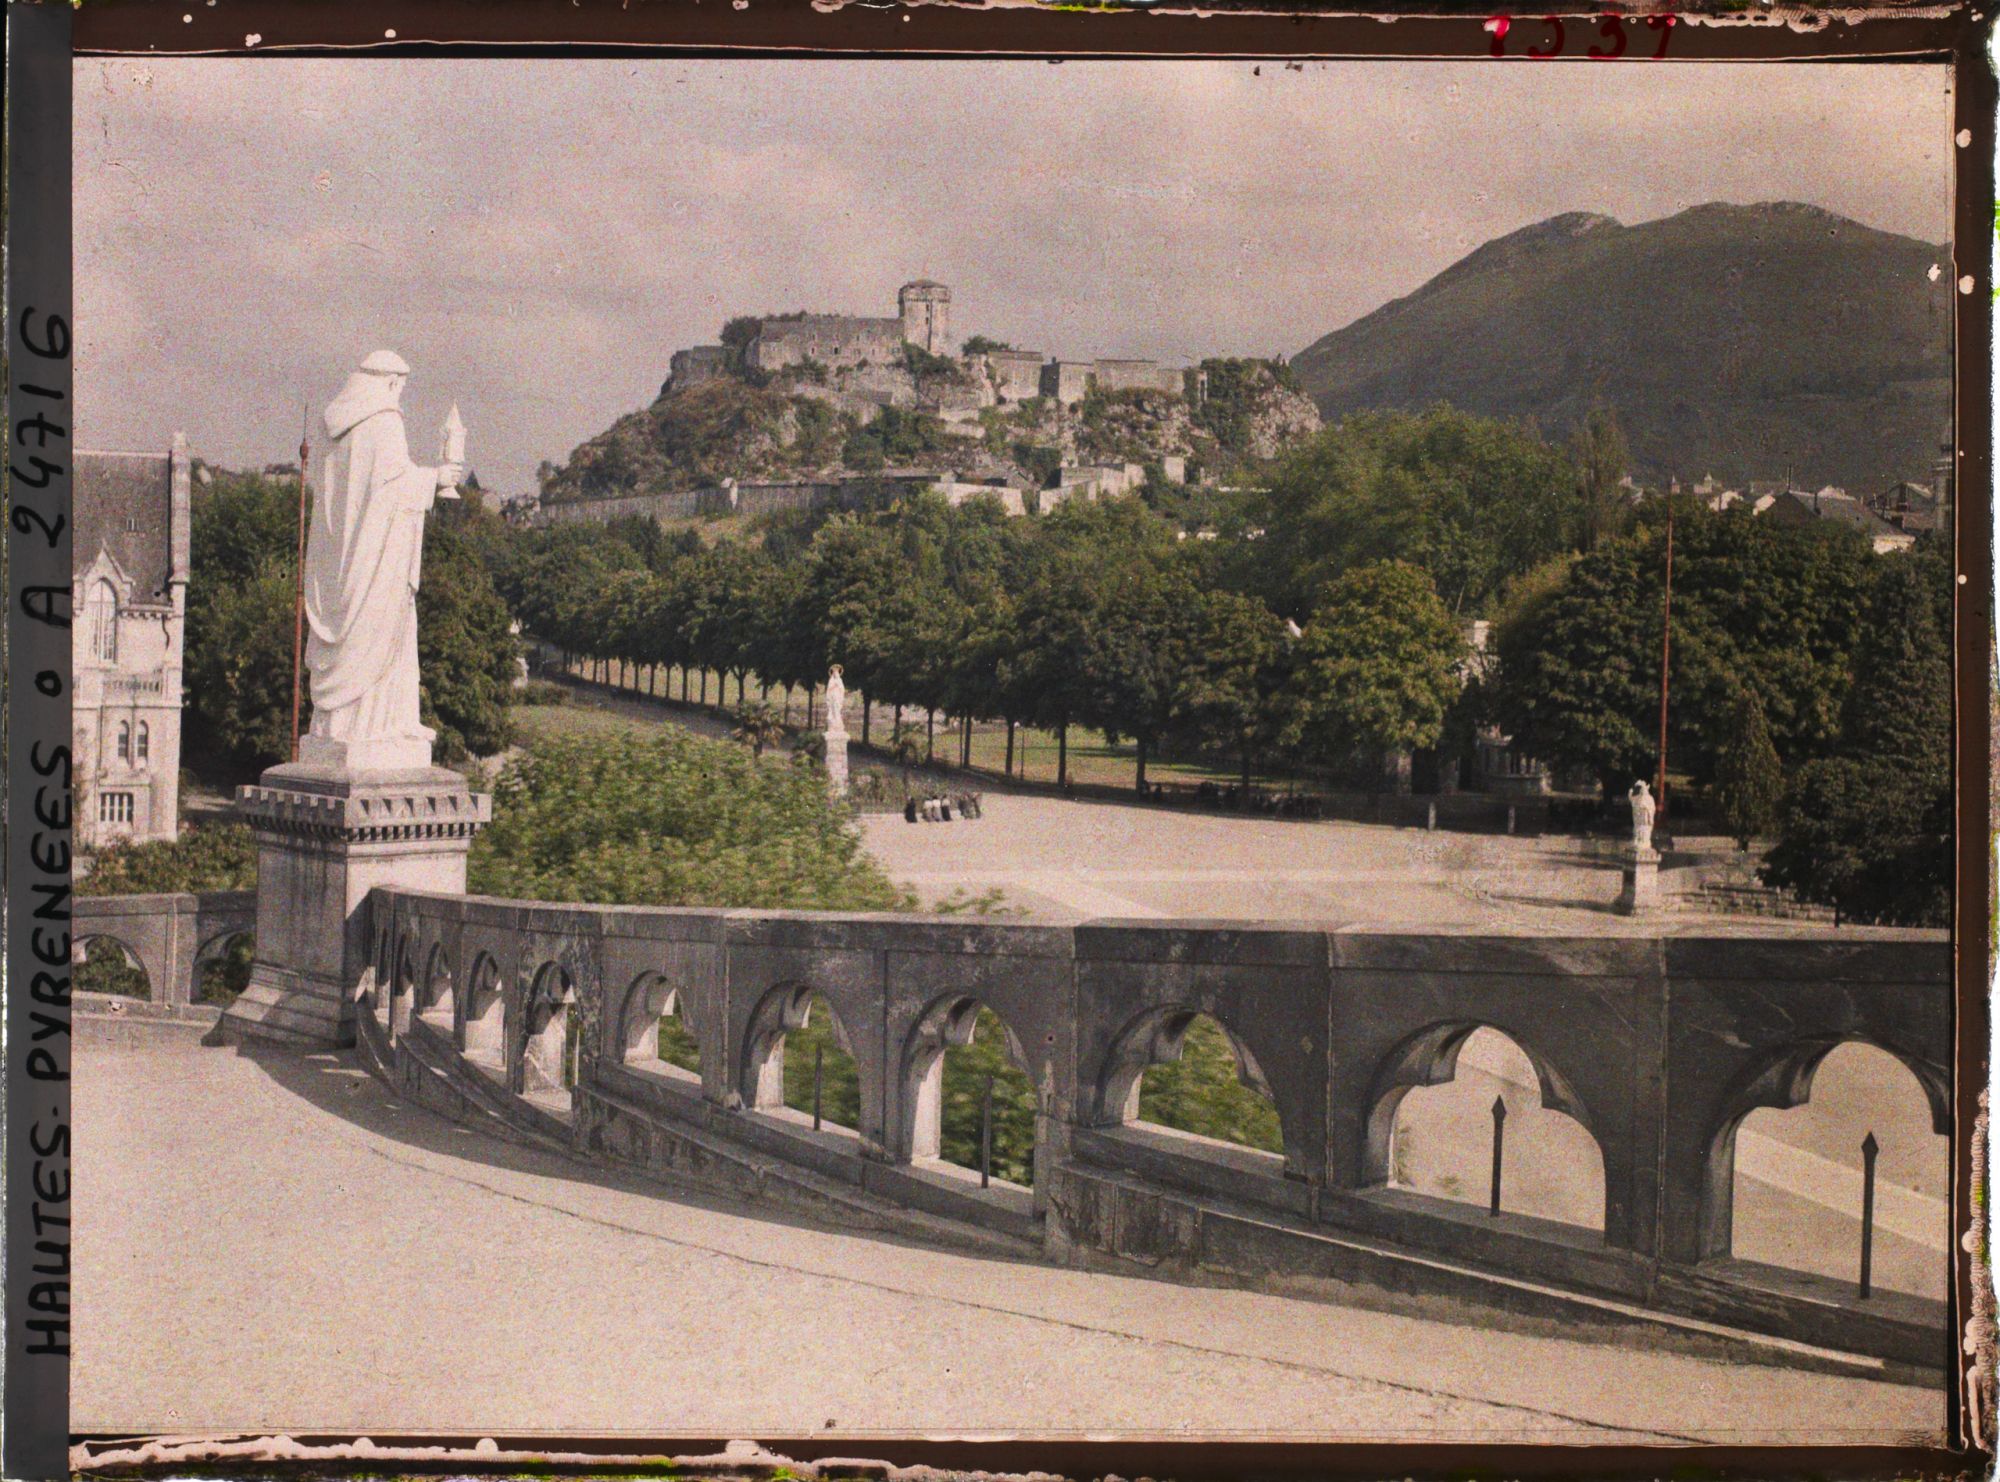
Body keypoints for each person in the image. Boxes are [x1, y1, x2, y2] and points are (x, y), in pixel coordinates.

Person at [300, 350, 461, 771]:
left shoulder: (336, 426)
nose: (401, 396)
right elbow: (392, 487)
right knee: (385, 630)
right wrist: (438, 478)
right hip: (376, 557)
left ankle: (357, 722)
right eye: (401, 387)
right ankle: (378, 724)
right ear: (390, 382)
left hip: (344, 559)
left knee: (375, 631)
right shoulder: (383, 420)